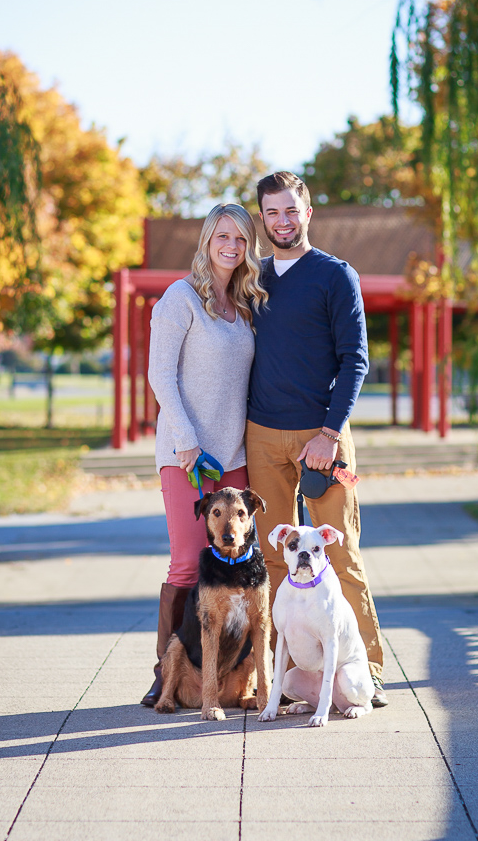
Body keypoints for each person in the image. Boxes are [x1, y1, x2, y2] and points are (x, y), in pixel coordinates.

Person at [245, 171, 388, 707]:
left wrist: (329, 432)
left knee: (340, 553)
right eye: (271, 212)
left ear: (308, 212)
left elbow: (356, 359)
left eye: (290, 210)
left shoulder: (335, 275)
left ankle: (367, 669)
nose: (281, 221)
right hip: (261, 434)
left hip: (322, 435)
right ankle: (283, 681)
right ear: (263, 218)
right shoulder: (253, 278)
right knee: (275, 557)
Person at [141, 202, 268, 707]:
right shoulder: (181, 298)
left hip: (233, 458)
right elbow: (159, 375)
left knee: (238, 564)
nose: (232, 247)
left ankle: (233, 677)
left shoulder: (245, 305)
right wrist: (187, 442)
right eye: (223, 237)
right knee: (186, 569)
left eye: (241, 239)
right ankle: (165, 675)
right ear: (206, 241)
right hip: (185, 454)